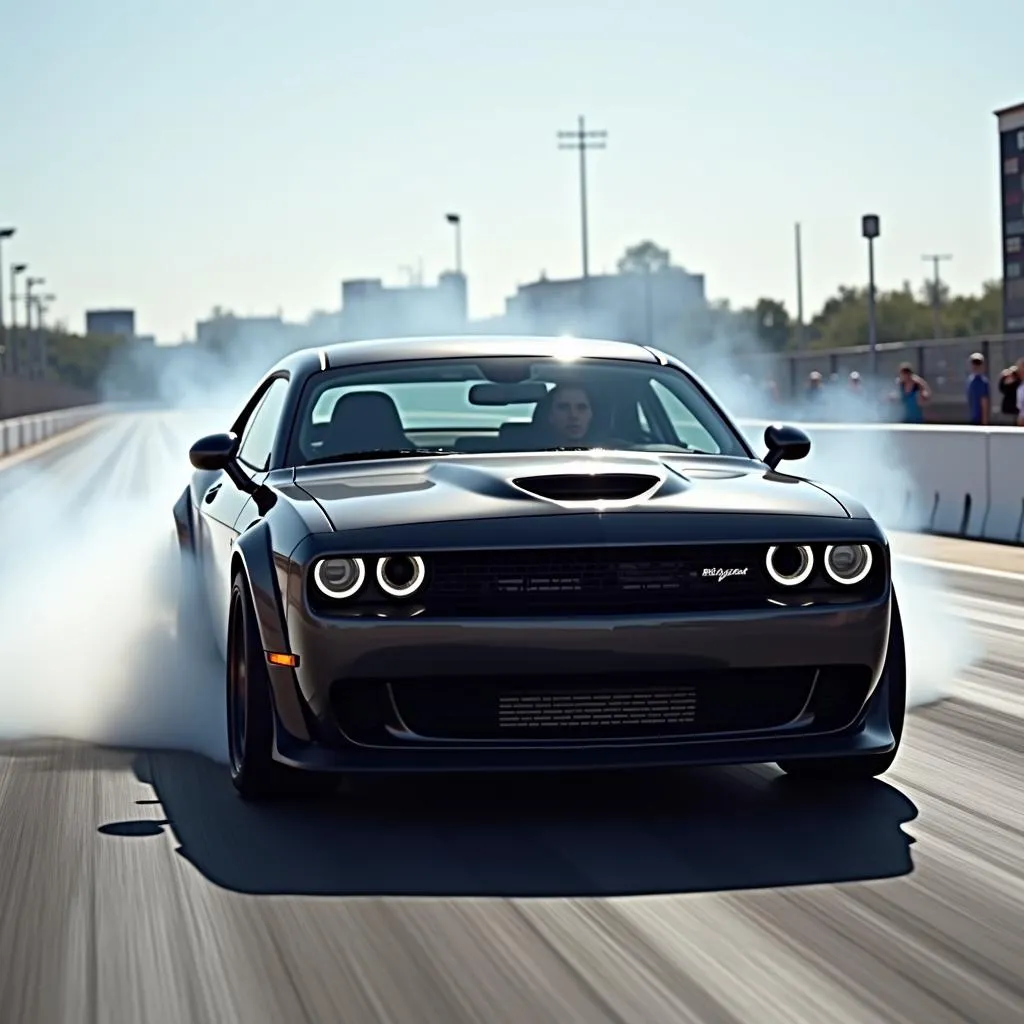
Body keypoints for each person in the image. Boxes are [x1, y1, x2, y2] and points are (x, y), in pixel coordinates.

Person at [965, 352, 990, 426]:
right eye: (974, 363)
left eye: (978, 363)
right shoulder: (970, 380)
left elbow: (984, 401)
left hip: (979, 420)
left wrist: (984, 422)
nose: (975, 366)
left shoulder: (983, 382)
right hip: (971, 417)